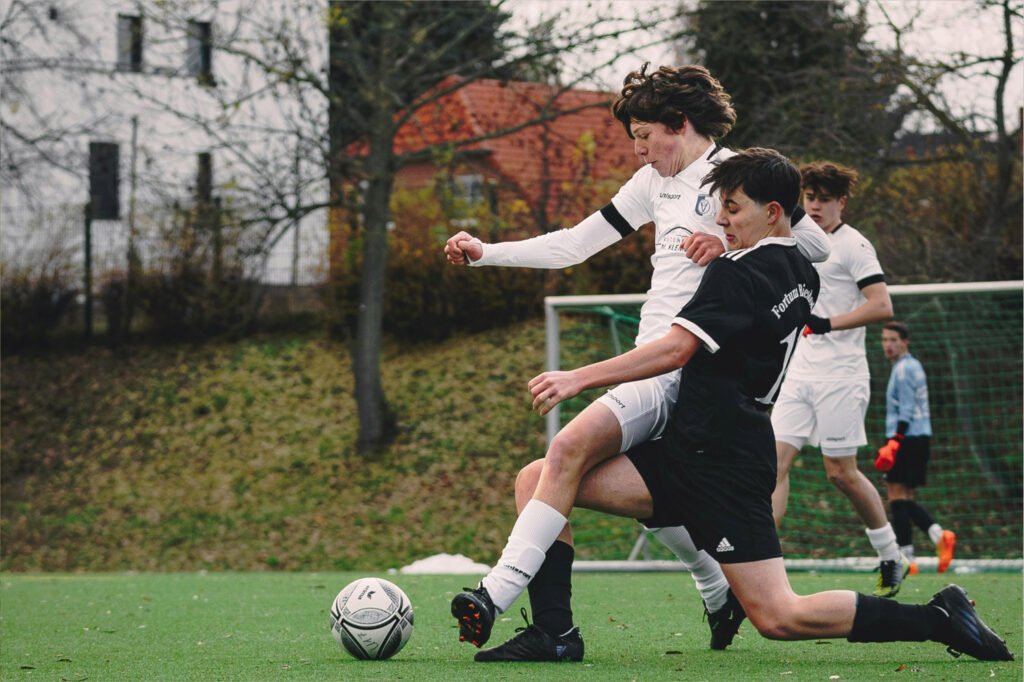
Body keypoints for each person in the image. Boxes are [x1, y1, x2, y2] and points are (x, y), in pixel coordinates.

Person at [454, 149, 1013, 664]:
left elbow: (675, 350)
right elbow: (792, 252)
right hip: (690, 450)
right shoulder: (800, 269)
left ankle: (936, 618)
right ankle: (555, 632)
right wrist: (730, 245)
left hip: (725, 463)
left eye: (732, 208)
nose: (719, 220)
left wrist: (579, 376)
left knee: (779, 616)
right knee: (540, 477)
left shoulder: (736, 272)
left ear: (772, 212)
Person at [444, 63, 831, 658]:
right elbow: (574, 244)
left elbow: (816, 245)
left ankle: (495, 594)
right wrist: (485, 253)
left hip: (678, 369)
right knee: (554, 481)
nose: (639, 150)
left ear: (679, 123)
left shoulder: (735, 178)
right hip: (649, 362)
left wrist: (728, 241)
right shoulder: (652, 183)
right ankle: (709, 591)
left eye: (645, 136)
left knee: (566, 449)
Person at [768, 161, 905, 598]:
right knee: (772, 466)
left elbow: (882, 305)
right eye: (809, 198)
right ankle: (759, 563)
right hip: (798, 374)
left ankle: (890, 554)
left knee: (840, 473)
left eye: (824, 200)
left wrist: (828, 323)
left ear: (841, 202)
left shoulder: (854, 245)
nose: (815, 207)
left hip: (841, 376)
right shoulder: (795, 240)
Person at [877, 320, 956, 574]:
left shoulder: (903, 369)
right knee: (905, 497)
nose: (888, 345)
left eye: (893, 340)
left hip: (906, 437)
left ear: (905, 342)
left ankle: (915, 551)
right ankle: (920, 549)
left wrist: (896, 440)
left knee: (896, 496)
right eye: (884, 340)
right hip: (919, 437)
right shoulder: (913, 366)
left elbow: (907, 406)